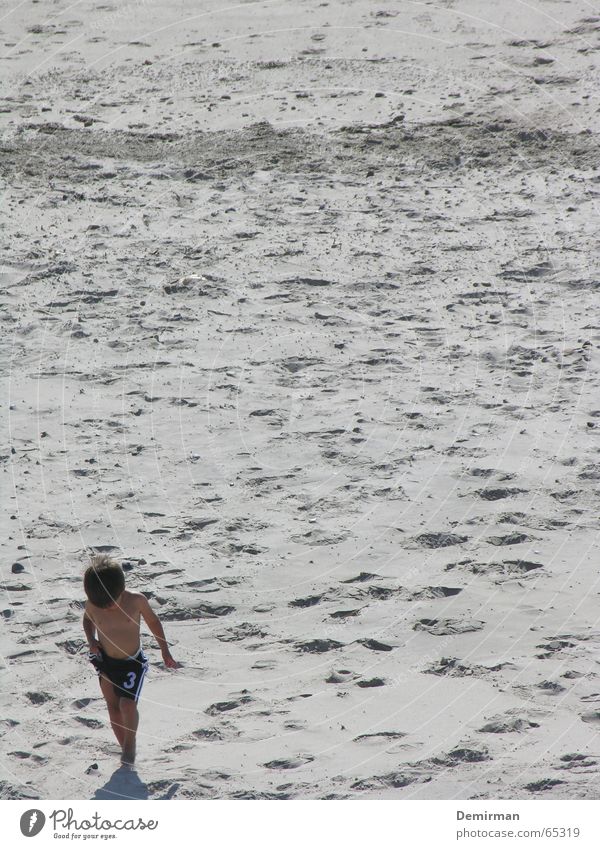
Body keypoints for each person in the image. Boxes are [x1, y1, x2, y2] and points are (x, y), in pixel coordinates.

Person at [82, 555, 178, 765]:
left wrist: (165, 651)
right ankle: (124, 747)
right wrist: (91, 640)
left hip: (131, 662)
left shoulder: (136, 601)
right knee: (112, 707)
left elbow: (153, 622)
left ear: (121, 590)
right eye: (102, 605)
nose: (107, 608)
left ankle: (130, 746)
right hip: (105, 661)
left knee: (127, 705)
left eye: (111, 603)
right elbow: (87, 620)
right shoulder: (93, 604)